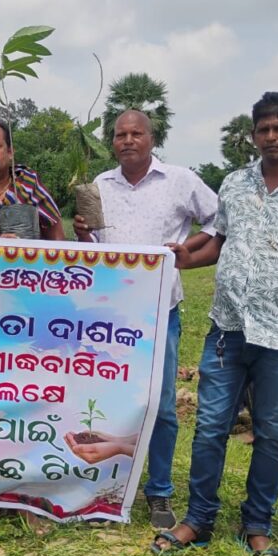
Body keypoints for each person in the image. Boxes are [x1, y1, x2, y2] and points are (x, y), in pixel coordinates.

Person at [152, 91, 278, 556]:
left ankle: (256, 524)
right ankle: (198, 519)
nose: (271, 136)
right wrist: (187, 259)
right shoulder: (235, 184)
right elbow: (219, 242)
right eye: (263, 129)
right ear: (253, 135)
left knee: (272, 433)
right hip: (228, 330)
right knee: (209, 428)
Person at [74, 110, 218, 530]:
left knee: (162, 405)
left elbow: (219, 219)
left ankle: (159, 491)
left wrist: (188, 248)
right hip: (111, 316)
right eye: (120, 135)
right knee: (110, 401)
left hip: (159, 312)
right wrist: (82, 233)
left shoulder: (180, 180)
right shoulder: (100, 185)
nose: (128, 141)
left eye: (136, 133)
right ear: (112, 142)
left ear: (152, 139)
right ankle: (107, 488)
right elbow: (94, 245)